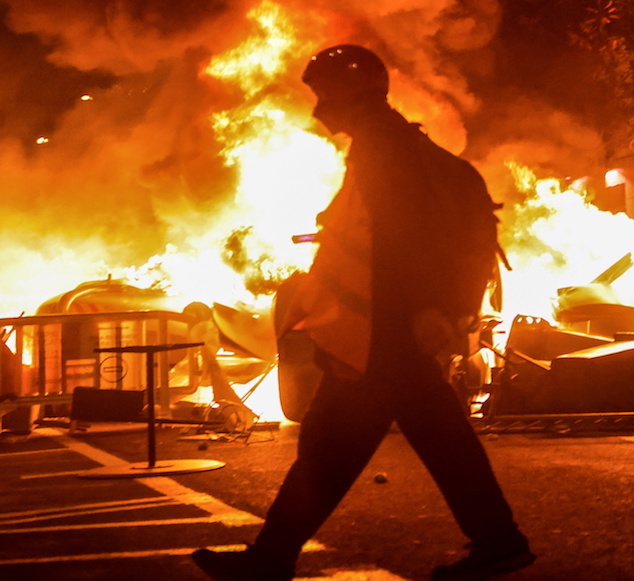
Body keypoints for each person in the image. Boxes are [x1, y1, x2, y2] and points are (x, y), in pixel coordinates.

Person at [192, 44, 534, 581]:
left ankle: (271, 558)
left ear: (349, 93)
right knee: (407, 440)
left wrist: (415, 311)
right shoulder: (391, 144)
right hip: (384, 333)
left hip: (383, 334)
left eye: (323, 95)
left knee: (338, 446)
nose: (318, 110)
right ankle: (498, 541)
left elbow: (398, 240)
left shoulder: (383, 149)